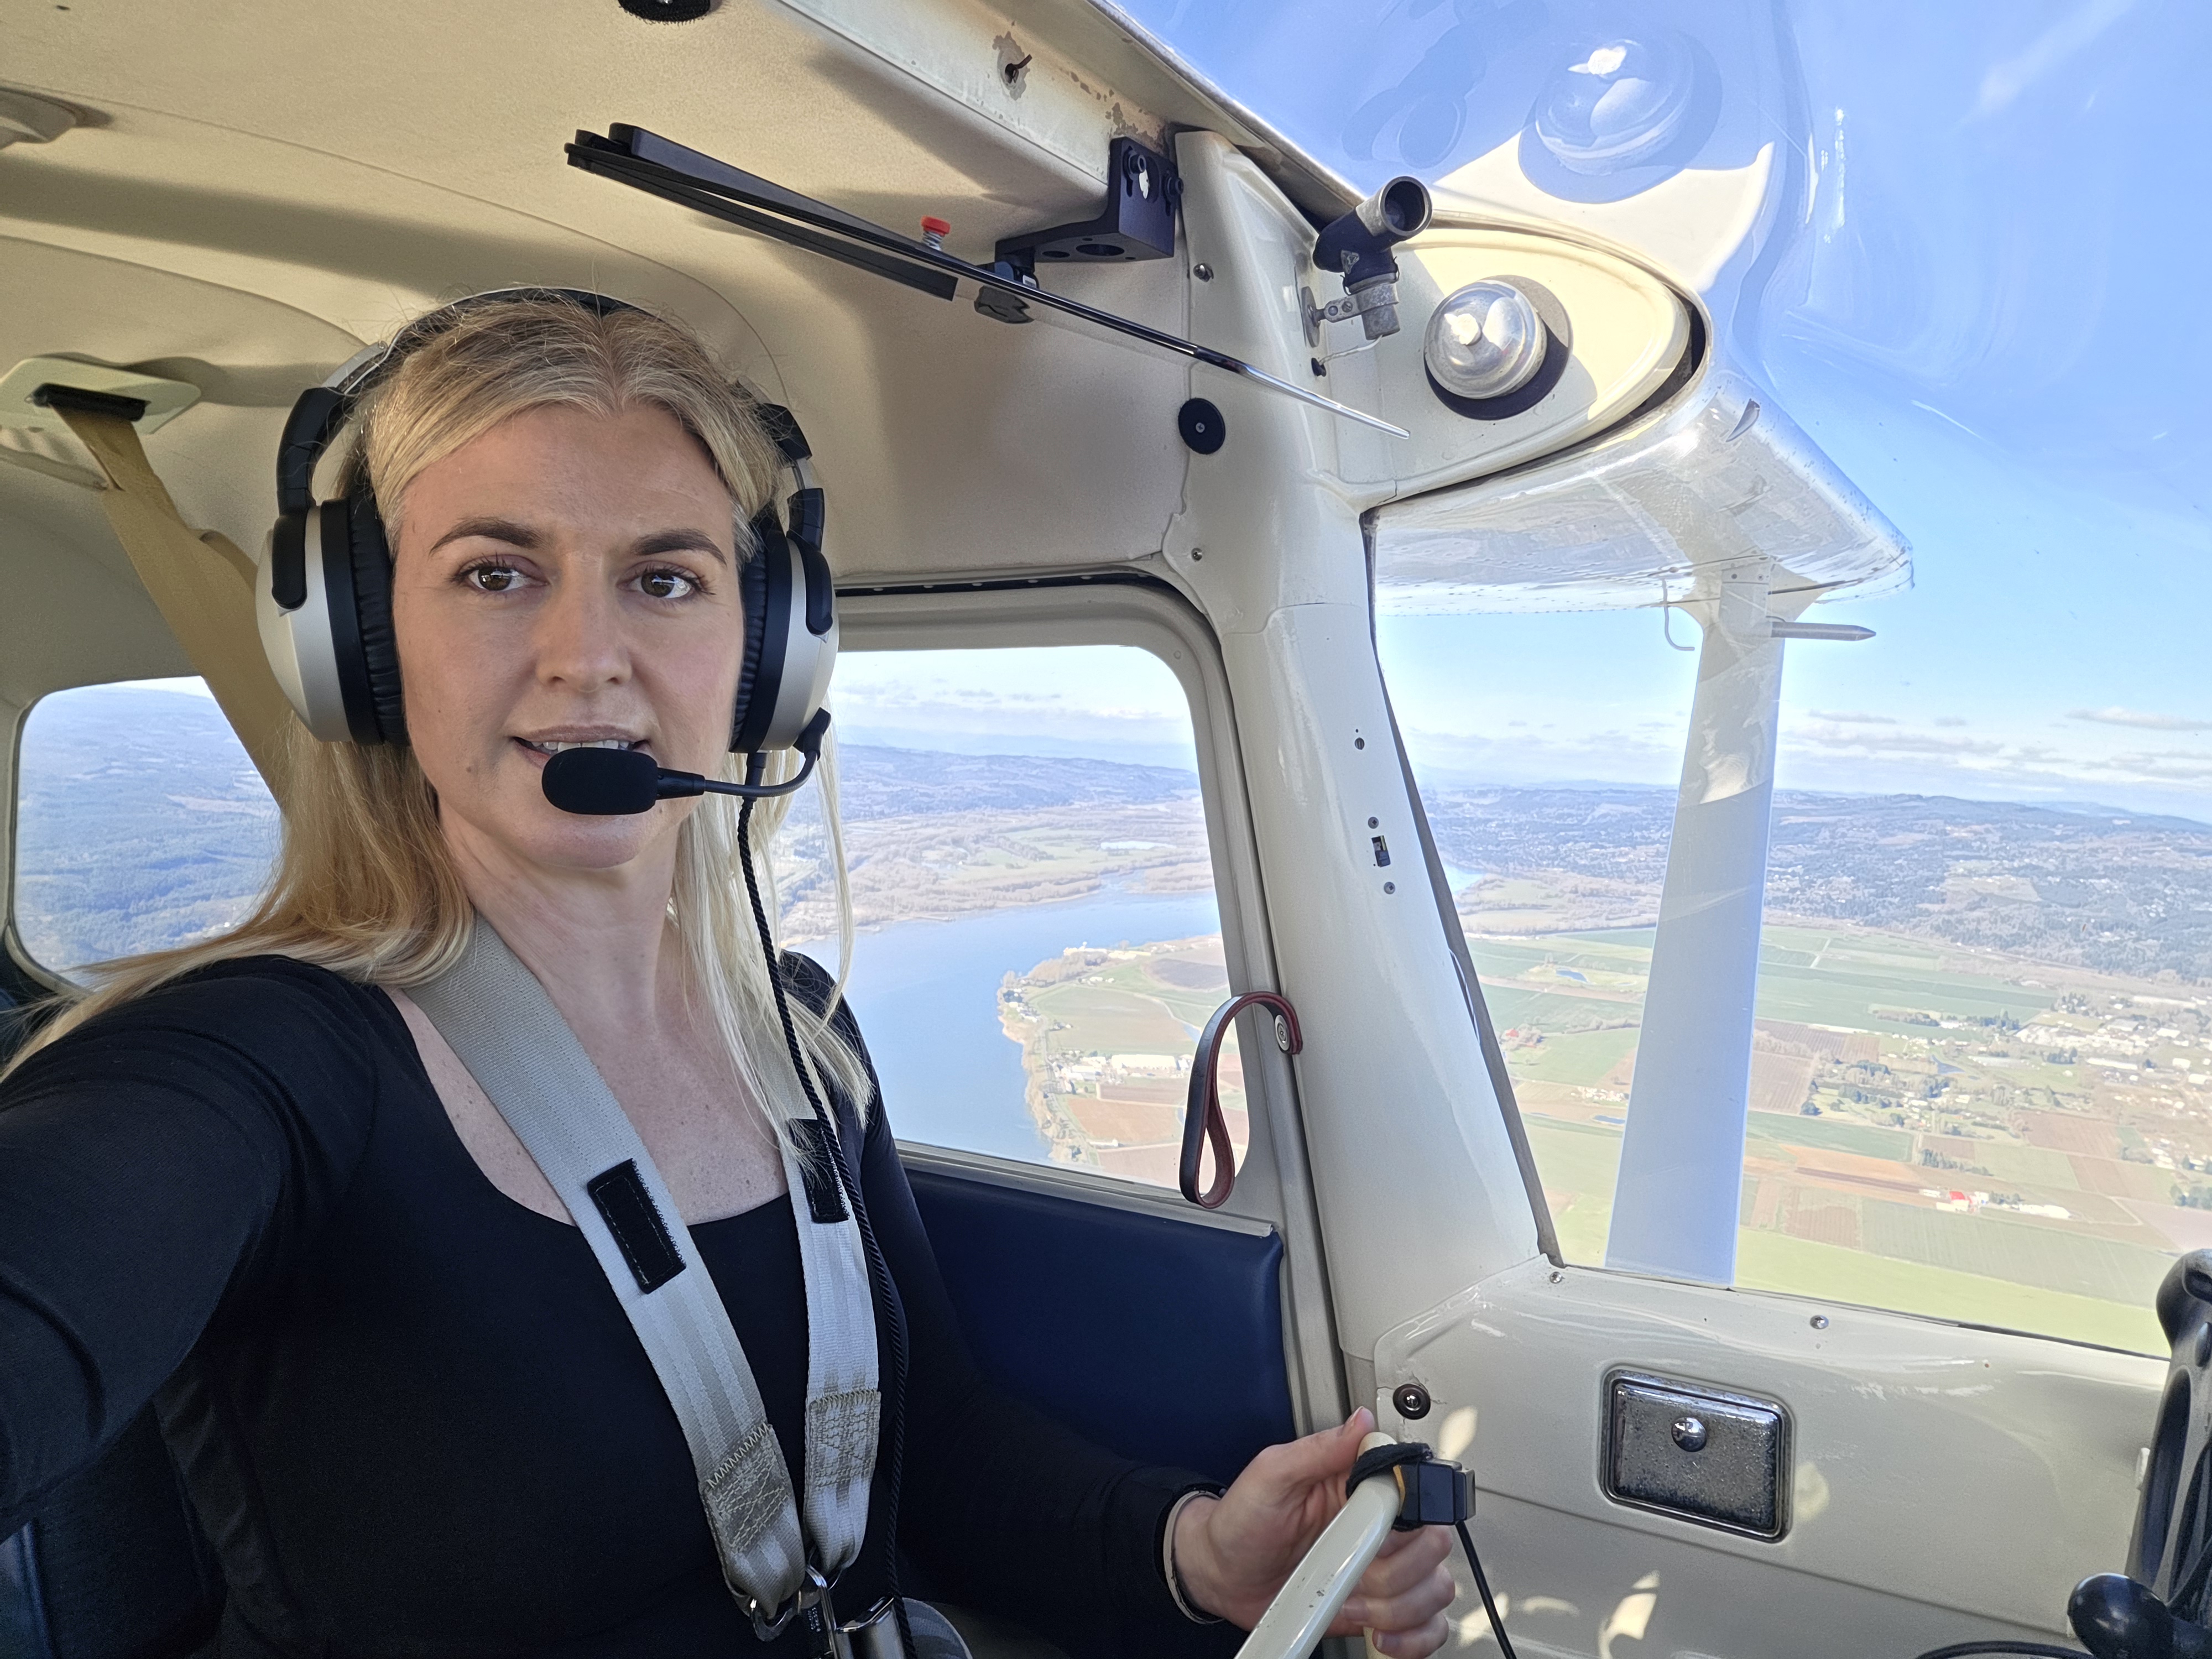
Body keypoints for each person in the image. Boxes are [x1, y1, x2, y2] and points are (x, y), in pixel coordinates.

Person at [0, 294, 1457, 1657]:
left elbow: (930, 1447)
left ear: (768, 657)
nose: (591, 656)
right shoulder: (259, 1070)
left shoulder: (801, 1036)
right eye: (496, 573)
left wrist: (1198, 1554)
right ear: (366, 651)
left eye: (666, 579)